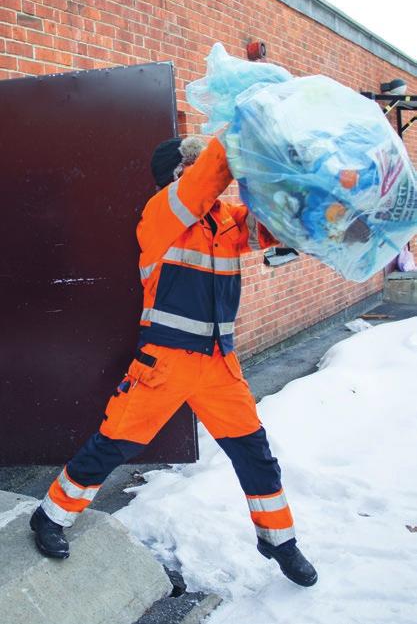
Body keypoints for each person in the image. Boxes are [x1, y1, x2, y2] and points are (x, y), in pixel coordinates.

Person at [30, 135, 318, 587]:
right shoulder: (163, 211)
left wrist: (298, 186)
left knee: (255, 454)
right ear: (177, 173)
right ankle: (50, 515)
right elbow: (211, 174)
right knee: (113, 445)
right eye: (194, 164)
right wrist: (248, 127)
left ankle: (279, 540)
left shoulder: (225, 221)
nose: (206, 173)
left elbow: (278, 227)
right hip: (164, 364)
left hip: (220, 365)